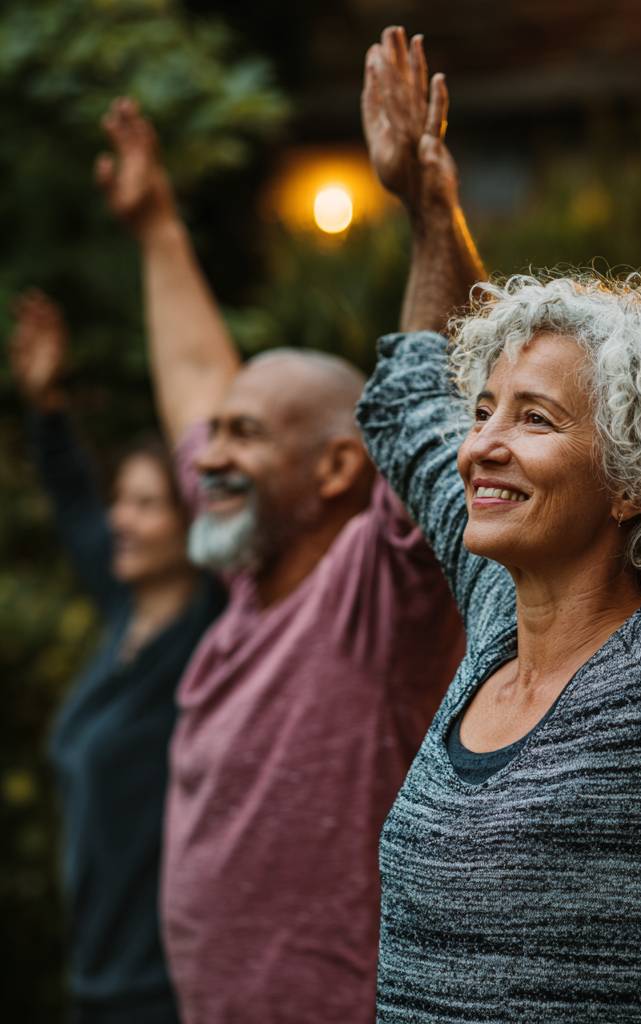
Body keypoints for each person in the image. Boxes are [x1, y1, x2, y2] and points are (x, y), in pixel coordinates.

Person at [357, 27, 641, 1022]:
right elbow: (411, 408)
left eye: (534, 418)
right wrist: (432, 207)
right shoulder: (495, 608)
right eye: (485, 408)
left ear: (634, 482)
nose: (481, 442)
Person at [93, 97, 466, 1024]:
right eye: (215, 435)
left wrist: (429, 217)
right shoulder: (250, 578)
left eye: (245, 434)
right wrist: (156, 229)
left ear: (339, 467)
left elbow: (442, 408)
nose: (207, 455)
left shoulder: (375, 589)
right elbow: (190, 377)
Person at [8, 291, 225, 1024]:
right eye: (121, 501)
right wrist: (47, 406)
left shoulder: (205, 643)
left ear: (191, 526)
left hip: (160, 994)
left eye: (144, 505)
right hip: (93, 980)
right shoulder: (127, 612)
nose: (118, 520)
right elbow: (75, 507)